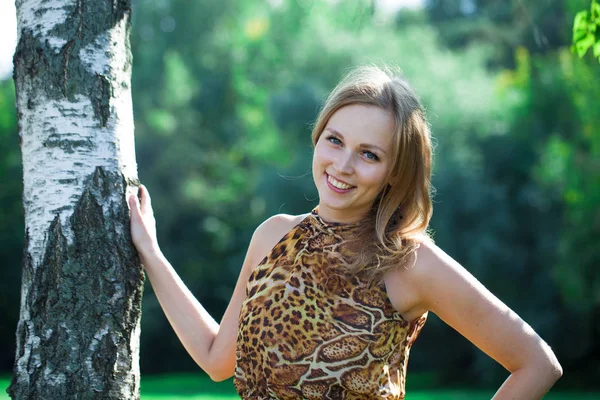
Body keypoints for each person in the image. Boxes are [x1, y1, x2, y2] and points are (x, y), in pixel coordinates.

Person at [128, 66, 562, 399]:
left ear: (395, 172)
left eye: (368, 154)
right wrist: (150, 252)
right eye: (335, 140)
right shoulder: (272, 237)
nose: (342, 165)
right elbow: (214, 359)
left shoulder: (408, 262)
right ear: (318, 137)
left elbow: (537, 364)